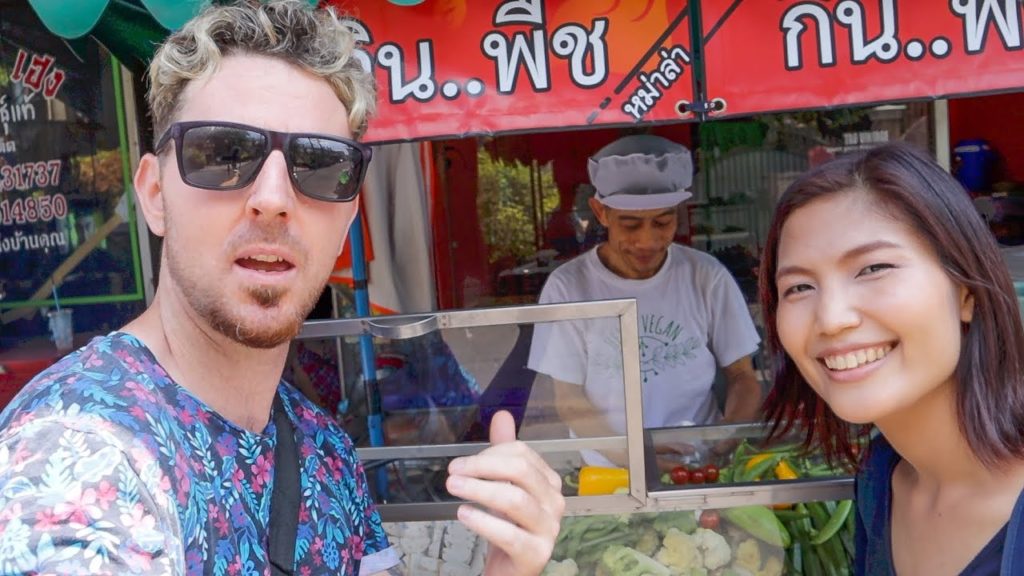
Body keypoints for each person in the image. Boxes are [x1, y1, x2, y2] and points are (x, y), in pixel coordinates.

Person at [0, 2, 565, 575]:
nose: (273, 199)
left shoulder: (325, 452)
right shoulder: (79, 455)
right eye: (223, 154)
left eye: (319, 165)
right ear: (154, 195)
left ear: (347, 220)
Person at [760, 142, 1024, 574]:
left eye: (873, 268)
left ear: (966, 292)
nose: (832, 319)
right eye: (799, 287)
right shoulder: (881, 481)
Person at [528, 134, 762, 468]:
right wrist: (633, 459)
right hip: (610, 471)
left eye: (663, 222)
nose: (647, 240)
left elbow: (743, 377)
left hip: (699, 465)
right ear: (601, 212)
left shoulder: (706, 275)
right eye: (630, 224)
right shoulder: (567, 286)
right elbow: (569, 400)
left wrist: (721, 445)